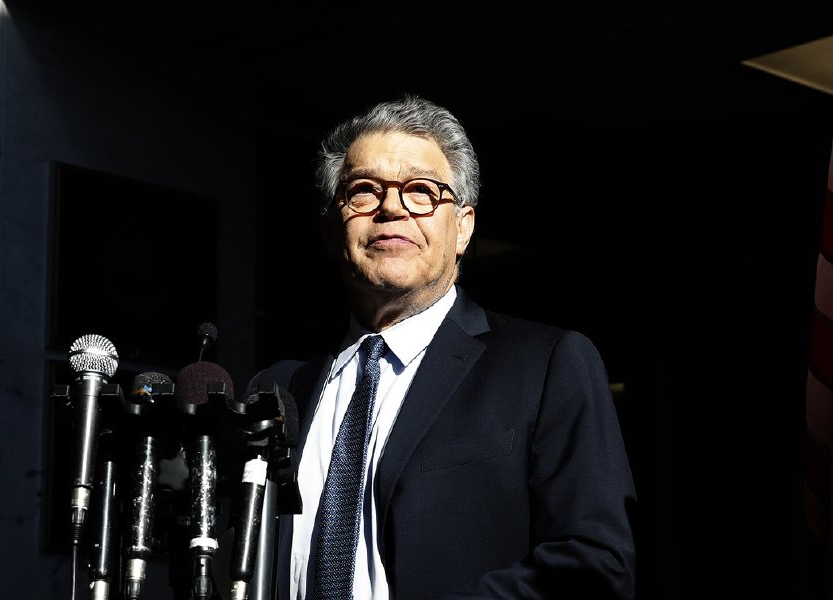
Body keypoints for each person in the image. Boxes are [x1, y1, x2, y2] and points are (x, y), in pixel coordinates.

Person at [249, 93, 636, 600]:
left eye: (421, 191)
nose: (391, 207)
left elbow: (595, 566)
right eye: (363, 191)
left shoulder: (545, 367)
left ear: (463, 228)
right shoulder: (280, 390)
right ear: (329, 230)